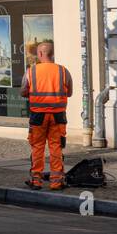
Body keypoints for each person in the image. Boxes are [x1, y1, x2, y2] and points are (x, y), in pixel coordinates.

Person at [21, 41, 72, 190]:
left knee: (37, 147)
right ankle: (57, 181)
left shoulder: (31, 71)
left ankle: (36, 180)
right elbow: (69, 92)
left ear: (41, 54)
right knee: (56, 147)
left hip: (38, 116)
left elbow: (23, 90)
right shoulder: (63, 71)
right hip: (58, 116)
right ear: (52, 54)